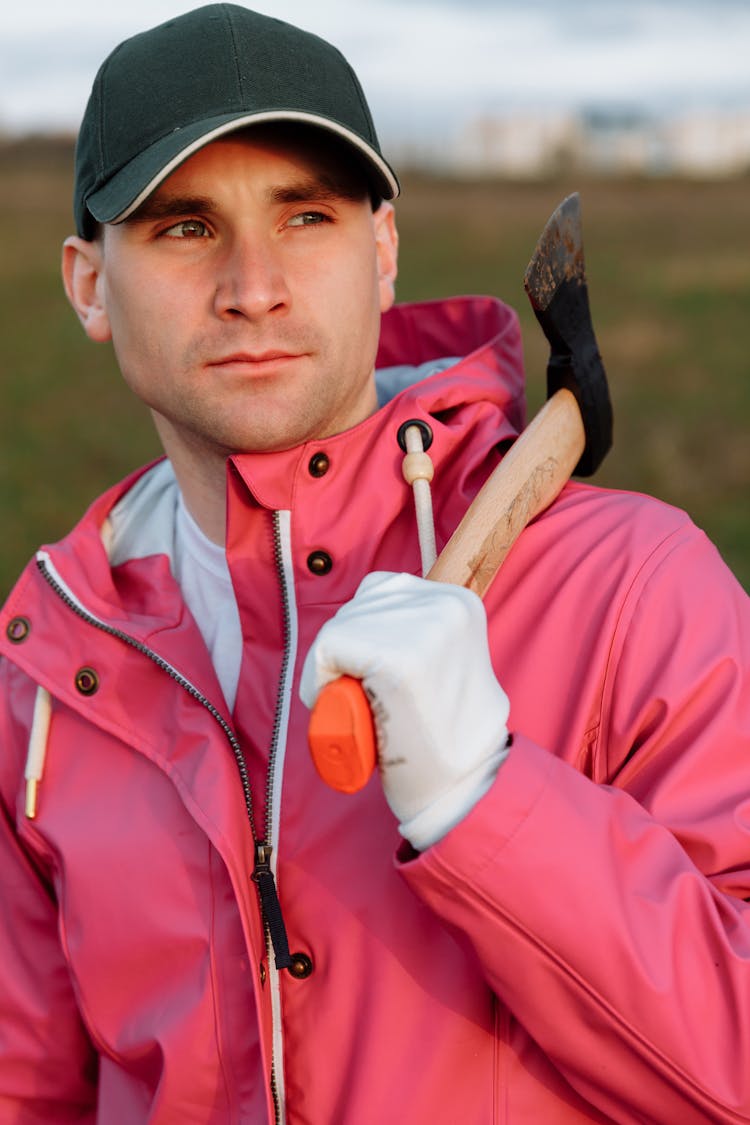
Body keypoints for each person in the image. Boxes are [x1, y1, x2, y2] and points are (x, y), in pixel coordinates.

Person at [1, 4, 748, 1122]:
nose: (255, 285)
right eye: (184, 227)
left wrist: (483, 803)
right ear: (88, 284)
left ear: (383, 250)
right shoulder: (51, 672)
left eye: (306, 215)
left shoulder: (634, 587)